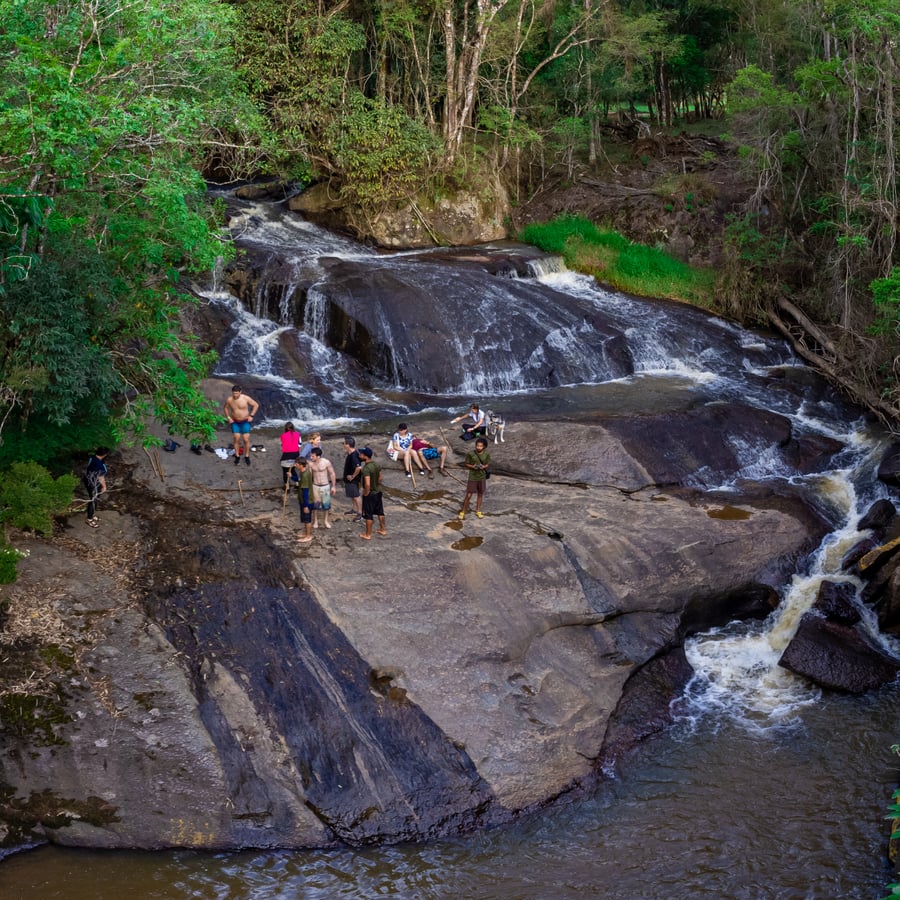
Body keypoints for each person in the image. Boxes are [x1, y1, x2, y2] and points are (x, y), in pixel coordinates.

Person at [224, 385, 260, 465]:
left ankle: (247, 456)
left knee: (246, 439)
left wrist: (252, 415)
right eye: (234, 393)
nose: (235, 395)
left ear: (240, 392)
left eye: (237, 393)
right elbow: (226, 408)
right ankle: (237, 456)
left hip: (245, 421)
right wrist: (228, 417)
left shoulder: (245, 398)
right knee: (236, 438)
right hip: (235, 421)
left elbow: (256, 405)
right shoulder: (230, 399)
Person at [458, 436, 491, 520]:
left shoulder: (486, 454)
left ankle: (478, 510)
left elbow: (487, 464)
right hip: (473, 476)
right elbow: (466, 463)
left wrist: (483, 466)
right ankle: (463, 511)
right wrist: (473, 466)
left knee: (480, 494)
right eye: (477, 445)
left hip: (482, 476)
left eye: (480, 446)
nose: (478, 447)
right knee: (469, 494)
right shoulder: (471, 454)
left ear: (484, 446)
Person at [358, 446, 387, 539]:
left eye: (361, 454)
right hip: (378, 491)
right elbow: (380, 478)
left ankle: (368, 534)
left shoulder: (366, 468)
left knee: (368, 514)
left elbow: (367, 484)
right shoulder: (376, 465)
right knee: (380, 512)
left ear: (365, 456)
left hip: (370, 494)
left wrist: (366, 493)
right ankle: (383, 530)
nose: (359, 455)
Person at [308, 446, 337, 529]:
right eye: (311, 456)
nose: (311, 457)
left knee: (326, 505)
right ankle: (316, 520)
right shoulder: (311, 464)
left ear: (318, 456)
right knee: (315, 505)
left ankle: (325, 521)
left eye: (313, 456)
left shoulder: (326, 462)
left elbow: (332, 473)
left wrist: (334, 486)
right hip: (315, 485)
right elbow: (310, 476)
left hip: (325, 485)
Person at [83, 447, 110, 528]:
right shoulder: (99, 465)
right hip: (93, 484)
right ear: (104, 455)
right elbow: (101, 477)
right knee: (93, 500)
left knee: (94, 499)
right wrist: (104, 486)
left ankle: (92, 514)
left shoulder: (93, 458)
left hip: (87, 479)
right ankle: (89, 519)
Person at [293, 457, 314, 543]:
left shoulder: (305, 475)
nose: (295, 465)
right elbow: (299, 480)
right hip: (304, 500)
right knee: (305, 518)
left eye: (297, 464)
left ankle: (308, 536)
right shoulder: (303, 472)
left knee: (307, 519)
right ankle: (306, 533)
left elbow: (305, 491)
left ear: (301, 465)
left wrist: (306, 505)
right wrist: (292, 477)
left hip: (307, 501)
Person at [342, 436, 363, 519]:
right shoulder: (352, 453)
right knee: (352, 495)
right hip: (349, 479)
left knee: (356, 495)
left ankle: (360, 512)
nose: (343, 445)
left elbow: (358, 467)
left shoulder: (354, 455)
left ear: (348, 445)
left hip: (352, 480)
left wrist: (353, 476)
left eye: (344, 443)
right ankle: (354, 509)